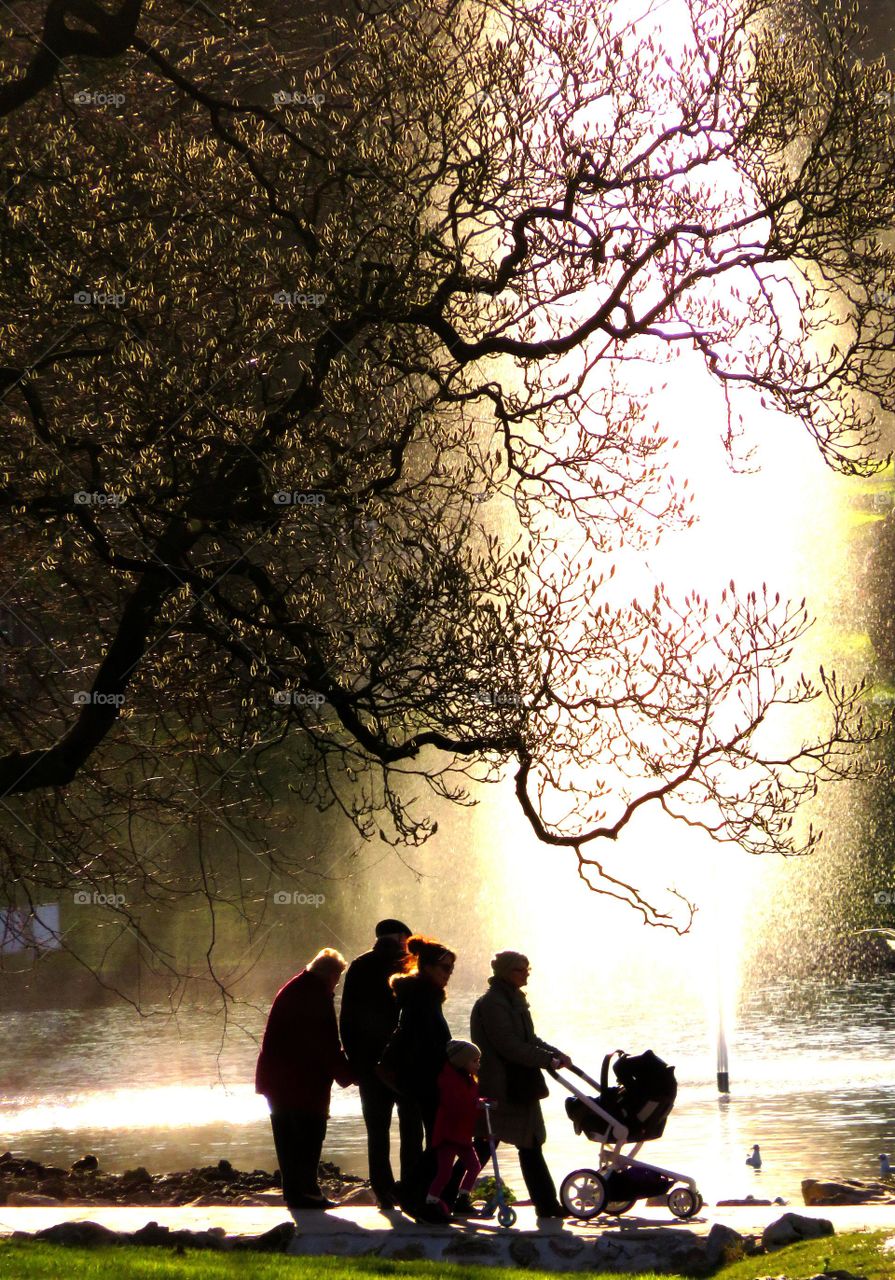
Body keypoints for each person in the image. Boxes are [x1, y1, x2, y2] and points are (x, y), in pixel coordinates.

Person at [470, 950, 571, 1219]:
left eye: (527, 968)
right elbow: (508, 1045)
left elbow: (528, 1038)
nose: (526, 973)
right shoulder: (494, 1004)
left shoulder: (513, 1000)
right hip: (503, 1084)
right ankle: (546, 1205)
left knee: (502, 1141)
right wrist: (546, 1060)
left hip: (518, 1082)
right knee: (513, 1141)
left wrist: (555, 1054)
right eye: (519, 969)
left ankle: (450, 1194)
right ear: (504, 972)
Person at [255, 947, 355, 1211]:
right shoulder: (315, 995)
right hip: (301, 1083)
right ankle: (309, 1192)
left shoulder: (295, 988)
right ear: (331, 974)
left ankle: (296, 1194)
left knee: (287, 1140)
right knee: (309, 1136)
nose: (336, 985)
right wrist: (348, 1074)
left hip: (279, 1081)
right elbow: (324, 1043)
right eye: (337, 978)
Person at [339, 918, 423, 1210]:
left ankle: (384, 1192)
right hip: (407, 1065)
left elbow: (347, 1021)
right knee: (412, 1128)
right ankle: (412, 1187)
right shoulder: (410, 967)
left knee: (377, 1131)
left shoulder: (359, 966)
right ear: (401, 938)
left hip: (370, 1065)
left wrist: (358, 1063)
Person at [378, 934, 456, 1219]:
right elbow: (421, 1041)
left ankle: (423, 1195)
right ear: (427, 967)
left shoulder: (424, 996)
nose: (448, 975)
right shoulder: (421, 999)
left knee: (440, 1140)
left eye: (451, 970)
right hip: (426, 1079)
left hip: (426, 1078)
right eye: (444, 968)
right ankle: (412, 1192)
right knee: (442, 1140)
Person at [425, 1039, 482, 1218]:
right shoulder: (448, 1079)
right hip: (449, 1134)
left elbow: (469, 1102)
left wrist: (481, 1104)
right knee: (444, 1172)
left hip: (463, 1133)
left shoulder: (469, 1081)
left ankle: (463, 1199)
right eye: (474, 1061)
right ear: (461, 1062)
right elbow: (455, 1105)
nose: (478, 1065)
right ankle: (431, 1202)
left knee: (474, 1166)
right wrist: (475, 1105)